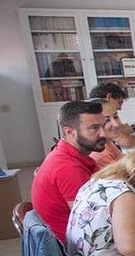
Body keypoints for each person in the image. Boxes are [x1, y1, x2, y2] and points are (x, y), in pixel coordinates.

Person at [31, 99, 107, 238]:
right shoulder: (68, 168)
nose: (103, 134)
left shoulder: (70, 155)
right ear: (69, 131)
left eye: (103, 126)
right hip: (75, 244)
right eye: (94, 128)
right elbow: (94, 220)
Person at [88, 82, 135, 148]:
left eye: (115, 117)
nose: (120, 108)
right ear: (109, 97)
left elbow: (120, 131)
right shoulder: (99, 111)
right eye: (119, 102)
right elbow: (126, 141)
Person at [90, 104, 125, 169]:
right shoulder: (101, 154)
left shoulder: (107, 141)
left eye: (116, 117)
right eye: (106, 120)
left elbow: (124, 161)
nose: (116, 124)